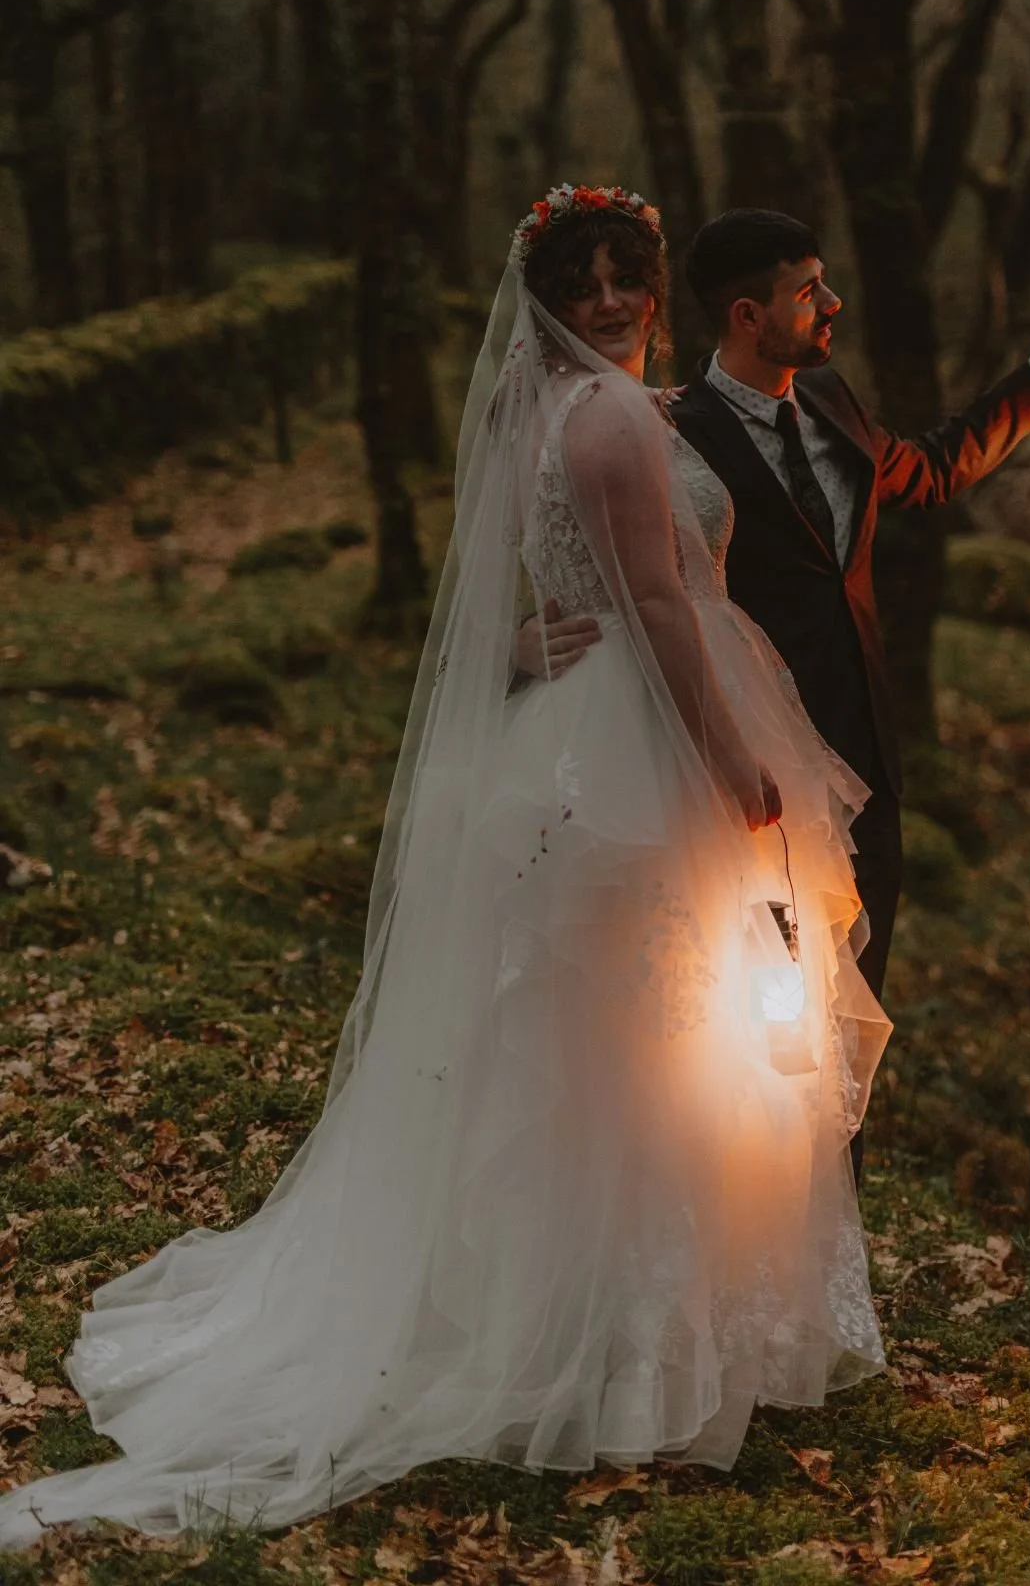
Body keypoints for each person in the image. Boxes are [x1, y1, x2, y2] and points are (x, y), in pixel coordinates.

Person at [0, 187, 890, 1551]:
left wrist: (524, 649)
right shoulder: (600, 414)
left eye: (624, 279)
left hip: (576, 738)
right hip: (640, 742)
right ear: (547, 301)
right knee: (649, 1042)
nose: (607, 303)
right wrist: (725, 762)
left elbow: (528, 580)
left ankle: (611, 1318)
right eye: (582, 285)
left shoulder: (559, 412)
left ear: (655, 288)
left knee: (600, 1034)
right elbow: (653, 599)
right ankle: (619, 1346)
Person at [525, 207, 1030, 1025]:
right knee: (763, 1027)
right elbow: (616, 577)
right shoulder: (663, 430)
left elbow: (929, 469)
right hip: (747, 771)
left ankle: (844, 1161)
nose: (831, 304)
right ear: (749, 316)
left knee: (858, 1006)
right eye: (808, 291)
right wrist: (526, 641)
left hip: (863, 764)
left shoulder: (830, 400)